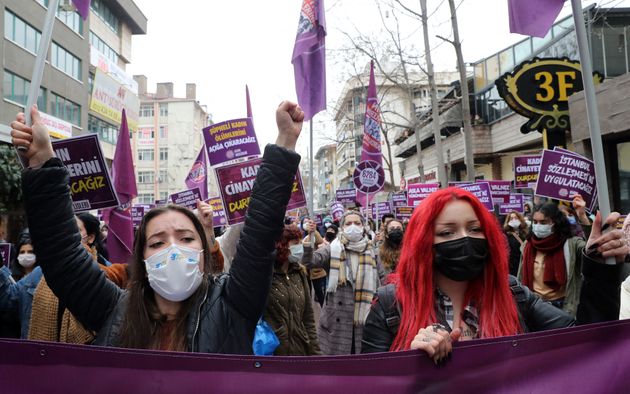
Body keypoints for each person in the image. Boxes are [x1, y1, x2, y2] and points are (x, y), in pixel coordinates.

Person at [11, 101, 303, 352]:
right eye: (158, 242)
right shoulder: (114, 310)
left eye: (186, 238)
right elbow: (62, 255)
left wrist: (285, 143)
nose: (173, 249)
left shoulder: (233, 305)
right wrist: (42, 163)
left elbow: (260, 232)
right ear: (141, 257)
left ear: (203, 253)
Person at [361, 187, 627, 362]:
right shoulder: (389, 305)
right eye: (447, 232)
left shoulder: (513, 294)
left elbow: (588, 341)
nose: (465, 238)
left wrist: (600, 265)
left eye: (475, 229)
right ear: (422, 243)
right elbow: (370, 386)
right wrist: (410, 361)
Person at [302, 210, 383, 355]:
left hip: (364, 319)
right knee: (336, 370)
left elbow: (380, 281)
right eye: (349, 223)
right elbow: (309, 262)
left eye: (357, 223)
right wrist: (310, 238)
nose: (353, 226)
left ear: (363, 226)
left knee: (361, 366)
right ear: (342, 227)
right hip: (336, 322)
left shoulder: (372, 251)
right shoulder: (333, 249)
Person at [517, 195, 601, 317]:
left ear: (555, 222)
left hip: (562, 307)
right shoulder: (527, 245)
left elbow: (592, 250)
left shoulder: (571, 243)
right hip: (534, 306)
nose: (538, 226)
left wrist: (582, 216)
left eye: (543, 222)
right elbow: (520, 277)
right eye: (535, 222)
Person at [262, 224, 321, 355]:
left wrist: (315, 353)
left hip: (300, 349)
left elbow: (308, 317)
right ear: (282, 245)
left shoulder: (300, 272)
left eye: (300, 242)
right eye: (295, 243)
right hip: (273, 351)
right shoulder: (265, 275)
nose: (300, 247)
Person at [503, 211, 529, 276]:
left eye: (516, 218)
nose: (514, 220)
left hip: (523, 262)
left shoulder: (525, 233)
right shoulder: (506, 234)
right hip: (512, 264)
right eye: (511, 218)